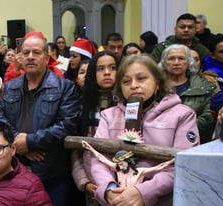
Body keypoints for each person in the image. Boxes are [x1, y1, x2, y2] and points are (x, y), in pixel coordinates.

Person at [91, 54, 199, 205]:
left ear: (157, 82)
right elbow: (99, 160)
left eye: (141, 78)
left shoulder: (182, 115)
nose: (134, 85)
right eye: (126, 81)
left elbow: (182, 164)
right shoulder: (109, 116)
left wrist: (143, 192)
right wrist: (109, 190)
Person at [0, 32, 81, 206]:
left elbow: (67, 125)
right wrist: (21, 143)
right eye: (26, 53)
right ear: (20, 58)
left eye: (36, 52)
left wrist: (31, 142)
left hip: (52, 174)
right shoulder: (10, 87)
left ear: (47, 58)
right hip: (15, 170)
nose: (30, 57)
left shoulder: (65, 87)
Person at [71, 51, 119, 206]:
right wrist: (83, 181)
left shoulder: (128, 105)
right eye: (100, 69)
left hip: (124, 183)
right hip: (92, 183)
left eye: (112, 68)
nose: (106, 73)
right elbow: (76, 150)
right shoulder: (82, 105)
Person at [159, 44, 216, 143]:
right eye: (171, 59)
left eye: (181, 58)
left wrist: (180, 128)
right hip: (158, 141)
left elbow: (208, 118)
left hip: (195, 141)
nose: (176, 62)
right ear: (164, 62)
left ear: (189, 62)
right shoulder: (154, 87)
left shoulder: (204, 87)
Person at [82, 140, 174, 187]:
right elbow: (101, 158)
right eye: (118, 164)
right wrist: (90, 148)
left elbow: (159, 167)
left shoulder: (139, 171)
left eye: (121, 164)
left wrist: (172, 160)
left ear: (128, 161)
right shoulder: (117, 168)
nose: (120, 167)